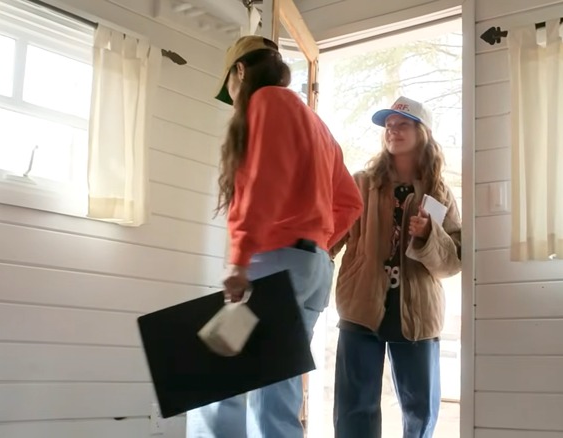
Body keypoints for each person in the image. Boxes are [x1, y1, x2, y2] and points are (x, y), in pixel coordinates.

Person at [188, 35, 363, 438]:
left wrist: (240, 258)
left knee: (219, 383)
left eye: (229, 87)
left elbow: (264, 184)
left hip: (274, 261)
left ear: (240, 71)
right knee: (276, 394)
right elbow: (351, 203)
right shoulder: (316, 124)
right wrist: (316, 240)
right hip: (312, 268)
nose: (232, 97)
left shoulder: (266, 102)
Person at [330, 96, 462, 438]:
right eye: (389, 125)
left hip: (418, 312)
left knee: (420, 408)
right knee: (354, 406)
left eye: (403, 124)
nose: (393, 130)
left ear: (423, 133)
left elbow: (453, 262)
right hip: (360, 305)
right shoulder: (361, 183)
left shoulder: (440, 193)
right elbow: (331, 235)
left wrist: (428, 234)